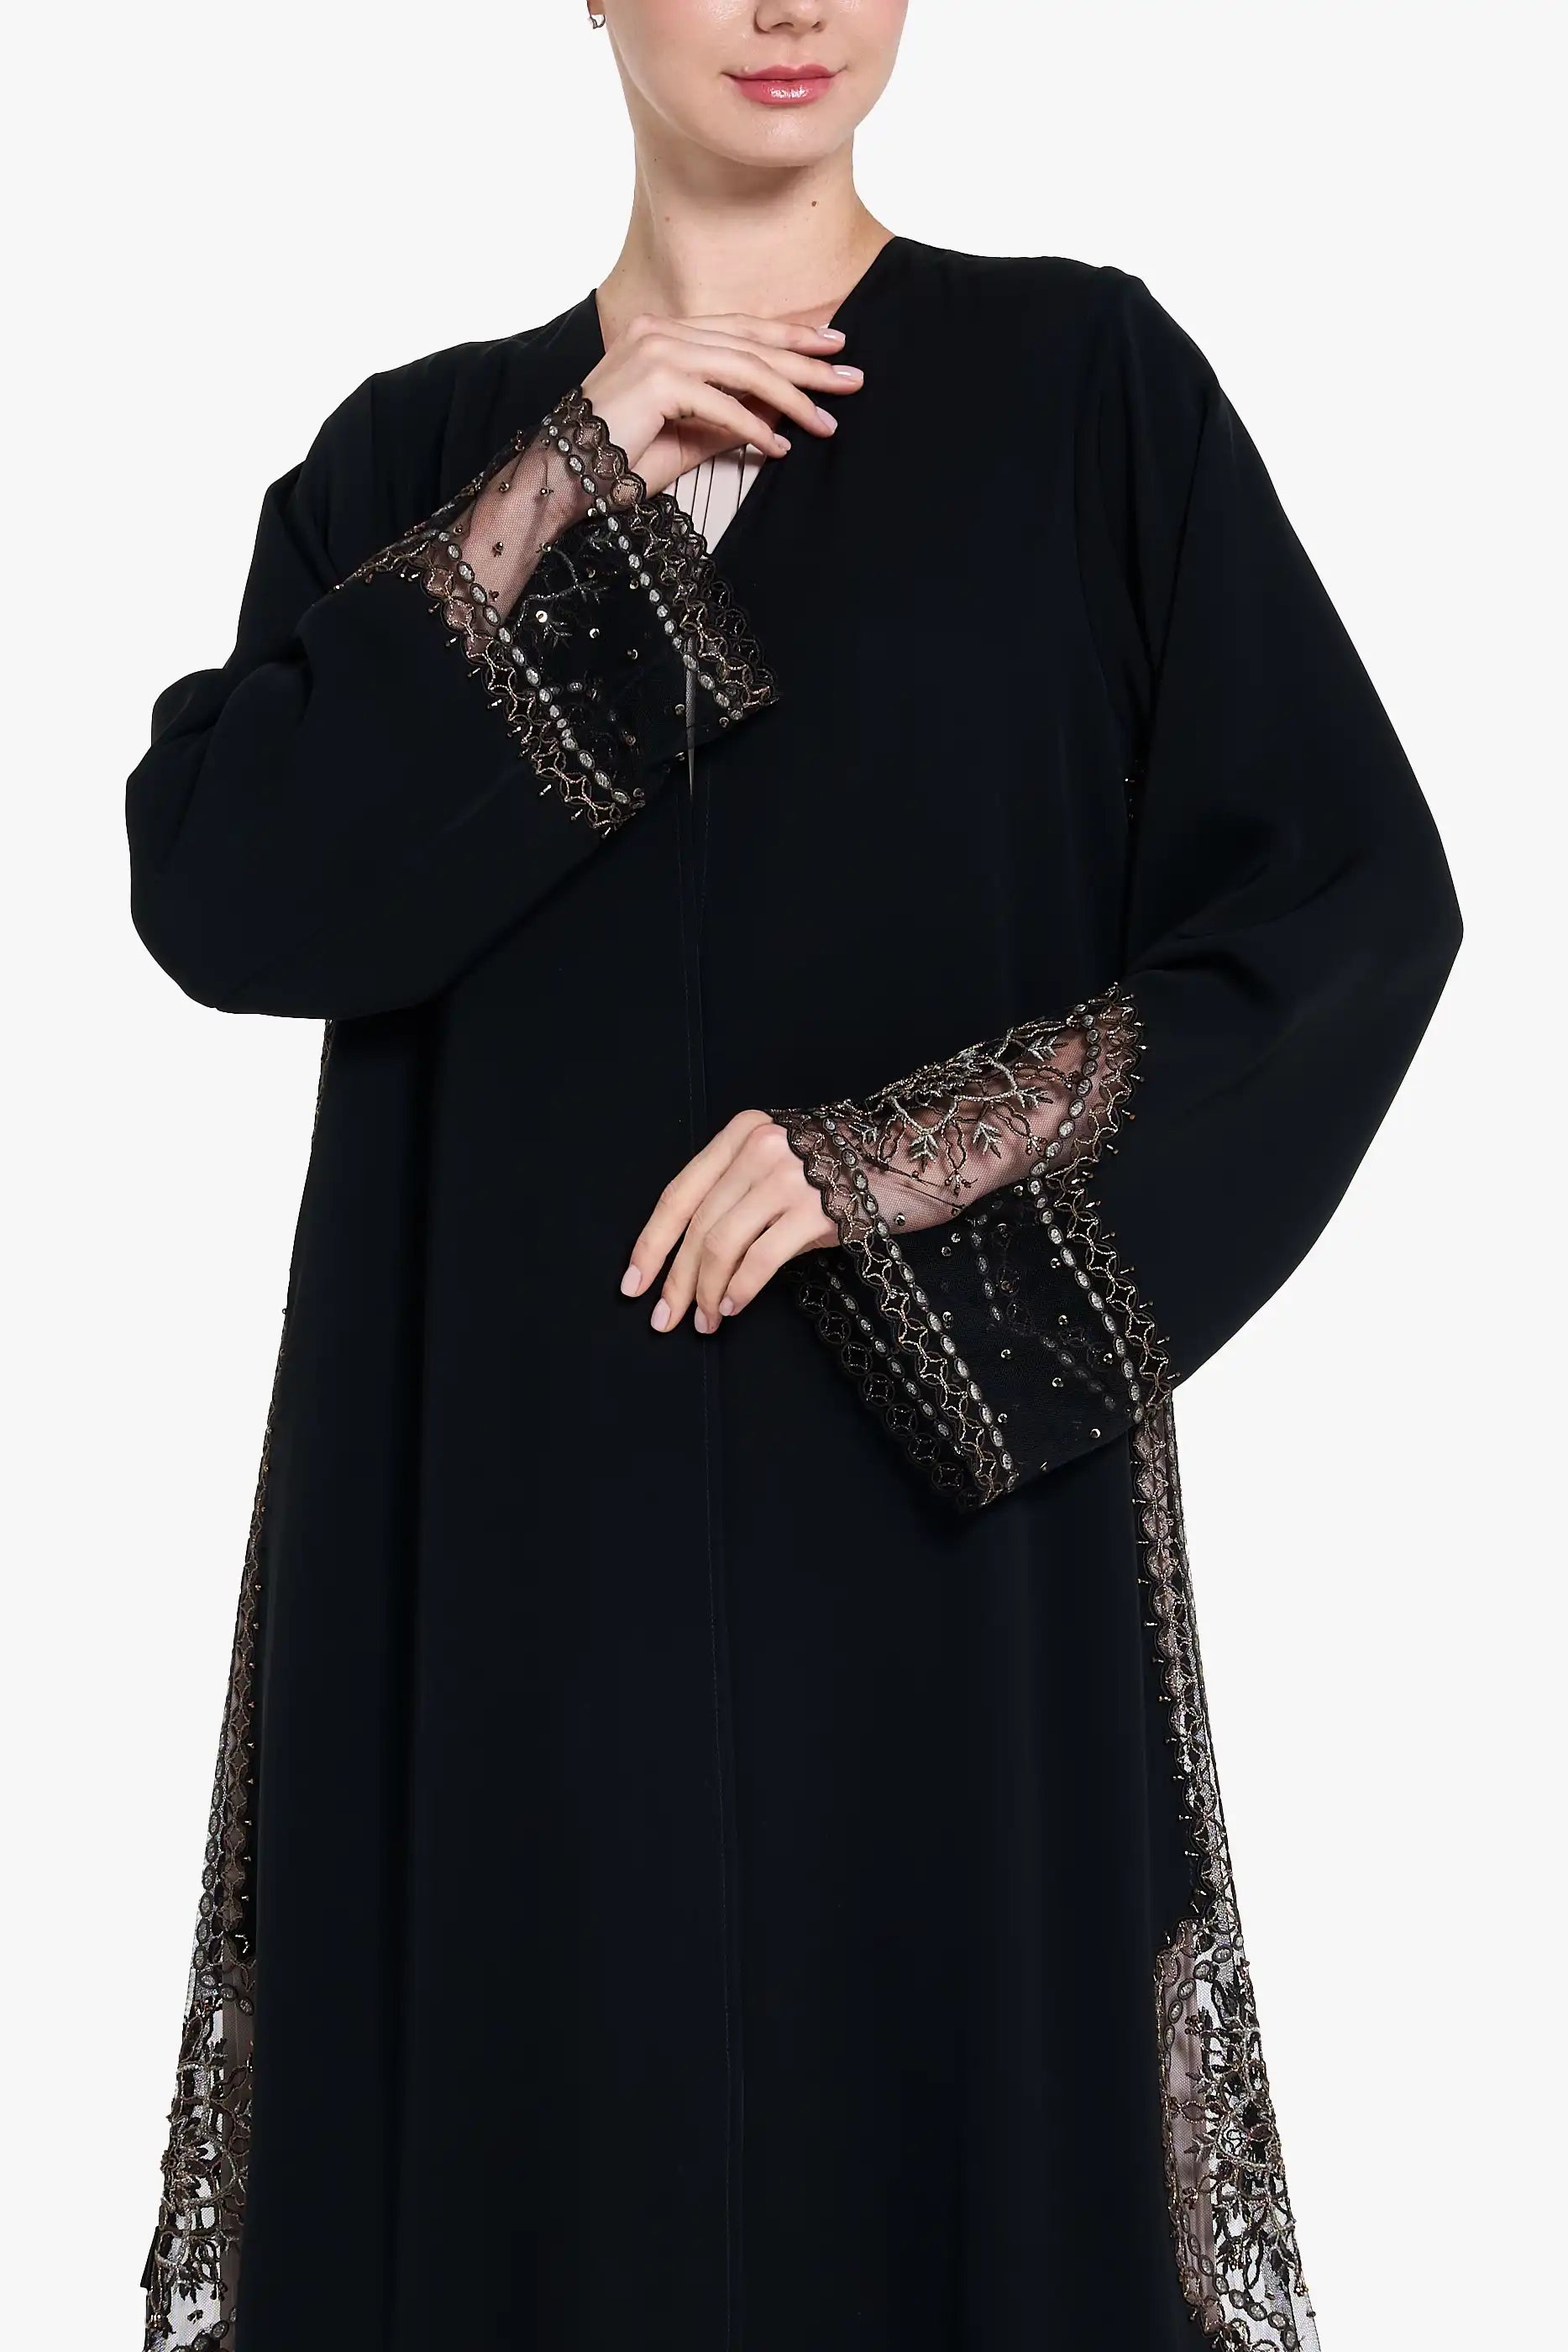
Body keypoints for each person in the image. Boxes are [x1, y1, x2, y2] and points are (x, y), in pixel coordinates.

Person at [126, 5, 1461, 2348]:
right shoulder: (415, 459)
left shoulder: (1083, 396)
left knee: (948, 2145)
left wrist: (895, 1165)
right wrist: (570, 481)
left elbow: (1340, 915)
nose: (791, 7)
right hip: (501, 1567)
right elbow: (230, 899)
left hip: (938, 1563)